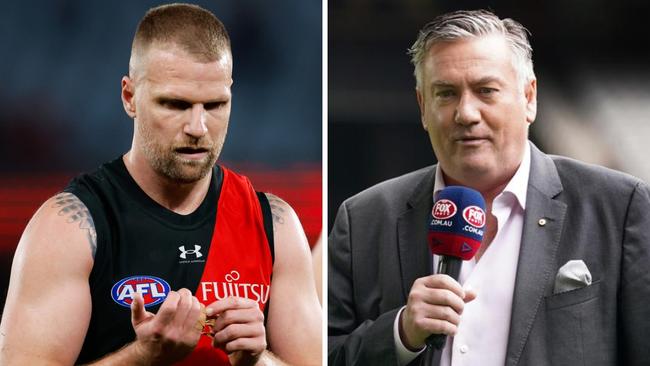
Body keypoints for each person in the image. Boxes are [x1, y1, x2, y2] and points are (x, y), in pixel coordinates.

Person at [0, 4, 321, 365]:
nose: (198, 127)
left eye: (215, 105)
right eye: (175, 104)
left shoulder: (274, 224)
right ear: (129, 97)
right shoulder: (70, 226)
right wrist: (143, 355)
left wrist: (258, 359)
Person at [328, 9, 650, 366]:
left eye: (486, 91)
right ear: (422, 107)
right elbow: (316, 355)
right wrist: (399, 334)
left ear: (529, 98)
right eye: (446, 93)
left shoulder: (618, 207)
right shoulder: (364, 219)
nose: (466, 113)